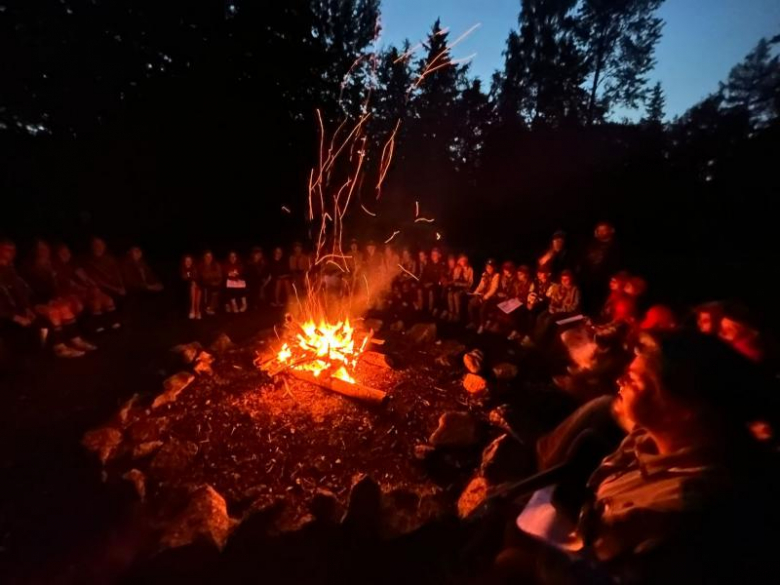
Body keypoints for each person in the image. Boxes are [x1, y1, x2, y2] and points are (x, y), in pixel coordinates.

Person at [494, 332, 776, 585]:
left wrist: (539, 566)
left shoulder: (678, 520)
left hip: (576, 564)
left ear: (688, 409)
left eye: (634, 380)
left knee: (508, 562)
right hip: (577, 531)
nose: (619, 380)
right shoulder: (650, 440)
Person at [4, 240, 93, 358]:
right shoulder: (24, 269)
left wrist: (52, 299)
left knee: (64, 308)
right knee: (53, 312)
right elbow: (22, 294)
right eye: (7, 250)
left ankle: (75, 339)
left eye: (46, 249)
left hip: (35, 303)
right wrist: (28, 307)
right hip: (24, 308)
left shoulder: (15, 269)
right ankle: (59, 347)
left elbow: (33, 290)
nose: (12, 253)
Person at [53, 243, 120, 331]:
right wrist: (85, 289)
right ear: (57, 255)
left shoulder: (74, 266)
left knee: (108, 299)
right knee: (95, 302)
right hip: (74, 294)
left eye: (67, 252)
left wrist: (92, 284)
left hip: (87, 290)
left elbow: (85, 278)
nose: (66, 255)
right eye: (62, 253)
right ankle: (97, 326)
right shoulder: (57, 270)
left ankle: (111, 322)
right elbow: (70, 285)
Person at [581, 222, 621, 312]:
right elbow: (586, 259)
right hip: (591, 279)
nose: (602, 232)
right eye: (599, 230)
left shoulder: (615, 246)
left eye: (604, 229)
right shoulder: (592, 244)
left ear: (611, 231)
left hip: (607, 281)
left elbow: (616, 264)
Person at [467, 259, 499, 333]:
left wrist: (485, 297)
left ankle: (482, 325)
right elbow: (481, 285)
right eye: (487, 267)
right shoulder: (485, 274)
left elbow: (494, 289)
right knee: (470, 304)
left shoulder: (496, 275)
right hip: (482, 295)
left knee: (483, 308)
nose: (489, 269)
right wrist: (476, 292)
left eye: (490, 267)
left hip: (491, 297)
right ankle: (473, 322)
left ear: (494, 268)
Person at [507, 265, 533, 340]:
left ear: (526, 275)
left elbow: (530, 295)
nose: (519, 276)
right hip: (517, 302)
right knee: (510, 308)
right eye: (518, 274)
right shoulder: (517, 283)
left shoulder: (531, 283)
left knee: (518, 311)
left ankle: (519, 332)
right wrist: (513, 298)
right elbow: (513, 292)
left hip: (525, 303)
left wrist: (522, 300)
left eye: (521, 274)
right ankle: (515, 330)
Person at [420, 247, 448, 316]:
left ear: (439, 255)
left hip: (438, 285)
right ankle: (422, 309)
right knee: (420, 289)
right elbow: (425, 275)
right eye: (432, 254)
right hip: (430, 284)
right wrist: (424, 282)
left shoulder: (442, 265)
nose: (433, 256)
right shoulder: (429, 264)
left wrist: (432, 283)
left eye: (435, 254)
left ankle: (431, 310)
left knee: (432, 291)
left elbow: (440, 278)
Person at [447, 254, 474, 323]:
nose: (461, 262)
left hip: (465, 288)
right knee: (450, 294)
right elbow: (455, 279)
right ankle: (451, 312)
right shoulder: (457, 268)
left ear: (465, 261)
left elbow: (470, 283)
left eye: (463, 260)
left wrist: (460, 283)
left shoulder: (470, 269)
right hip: (457, 287)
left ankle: (457, 314)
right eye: (460, 260)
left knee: (456, 295)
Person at [198, 250, 223, 315]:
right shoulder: (201, 265)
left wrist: (216, 281)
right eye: (207, 256)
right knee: (207, 288)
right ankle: (207, 307)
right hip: (204, 283)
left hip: (215, 283)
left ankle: (212, 307)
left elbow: (219, 275)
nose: (208, 258)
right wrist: (212, 275)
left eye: (210, 256)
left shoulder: (216, 264)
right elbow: (203, 276)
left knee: (216, 288)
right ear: (204, 257)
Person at [180, 254, 201, 319]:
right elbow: (184, 278)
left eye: (190, 261)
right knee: (193, 288)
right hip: (185, 288)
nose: (188, 262)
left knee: (198, 289)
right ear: (184, 262)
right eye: (187, 261)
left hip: (195, 286)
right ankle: (192, 309)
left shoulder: (194, 268)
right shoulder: (182, 269)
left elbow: (197, 278)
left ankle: (197, 310)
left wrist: (194, 282)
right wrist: (191, 281)